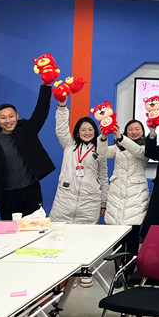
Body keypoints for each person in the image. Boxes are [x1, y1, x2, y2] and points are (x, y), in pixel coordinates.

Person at [50, 97, 109, 287]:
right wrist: (62, 106)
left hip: (89, 201)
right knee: (60, 237)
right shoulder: (69, 145)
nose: (86, 132)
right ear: (77, 132)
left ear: (95, 131)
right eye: (83, 129)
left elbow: (103, 178)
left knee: (86, 239)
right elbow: (61, 128)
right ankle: (64, 275)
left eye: (90, 129)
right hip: (65, 199)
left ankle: (86, 271)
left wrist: (103, 202)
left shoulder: (100, 150)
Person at [0, 84, 56, 220]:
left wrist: (46, 86)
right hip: (7, 196)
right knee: (10, 230)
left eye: (11, 116)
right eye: (3, 118)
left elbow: (41, 110)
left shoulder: (26, 129)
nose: (8, 121)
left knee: (34, 228)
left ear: (17, 116)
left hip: (31, 191)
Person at [97, 119, 150, 277]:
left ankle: (130, 272)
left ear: (142, 132)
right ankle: (119, 272)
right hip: (117, 195)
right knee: (117, 238)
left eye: (137, 129)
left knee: (132, 238)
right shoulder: (118, 147)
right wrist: (103, 136)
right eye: (131, 129)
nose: (134, 132)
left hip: (136, 197)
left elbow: (137, 152)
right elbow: (103, 152)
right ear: (126, 131)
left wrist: (120, 137)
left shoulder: (146, 147)